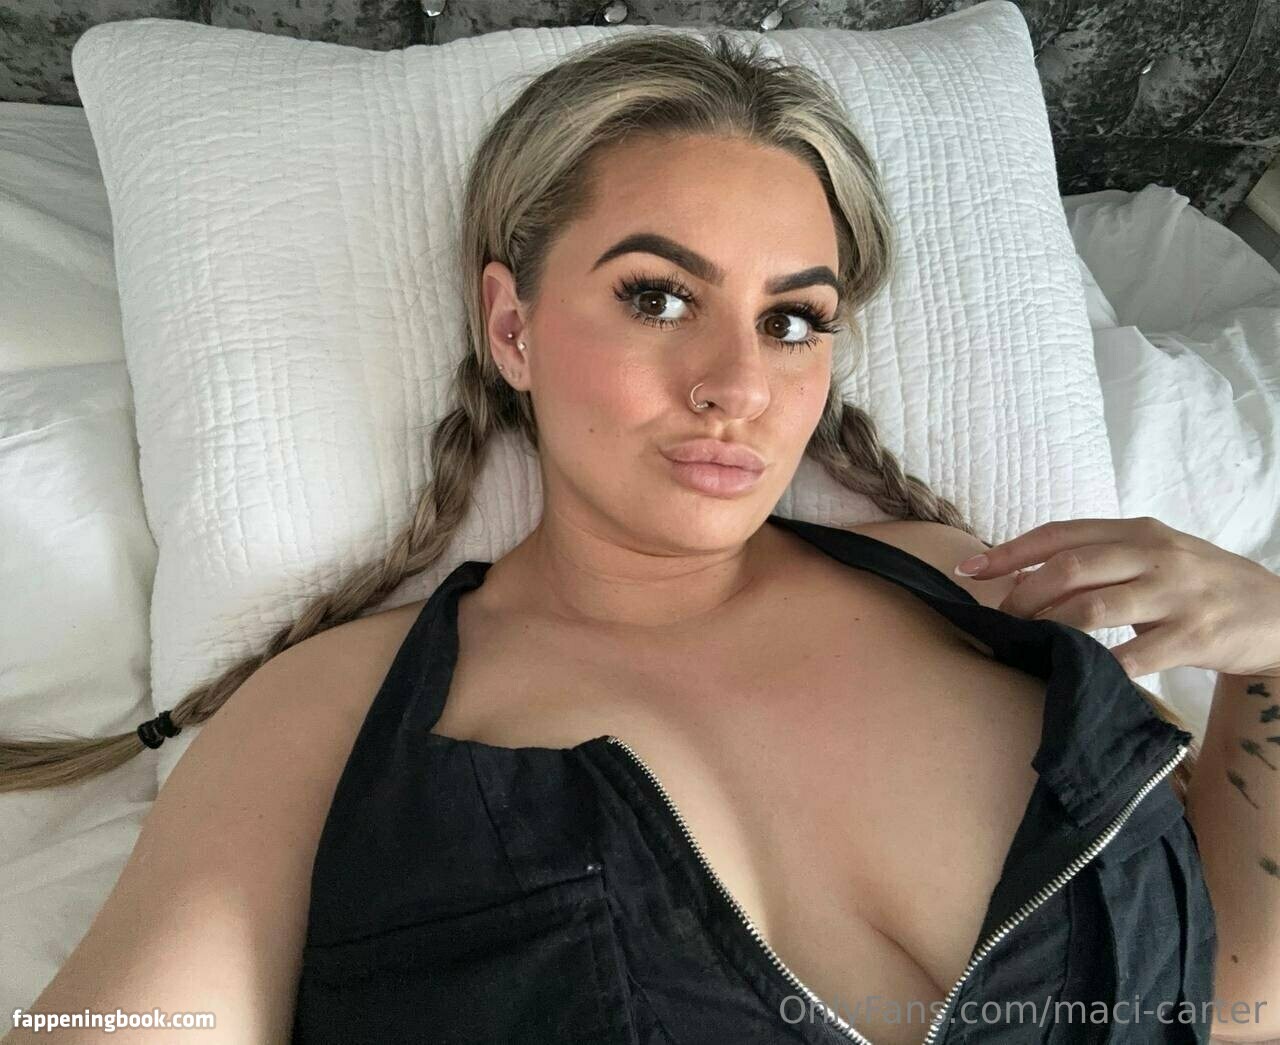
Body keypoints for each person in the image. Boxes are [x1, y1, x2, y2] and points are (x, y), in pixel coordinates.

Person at [1, 30, 1216, 1045]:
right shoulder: (331, 715)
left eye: (792, 320)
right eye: (657, 297)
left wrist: (1265, 665)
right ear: (511, 328)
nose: (736, 384)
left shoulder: (978, 591)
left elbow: (1224, 998)